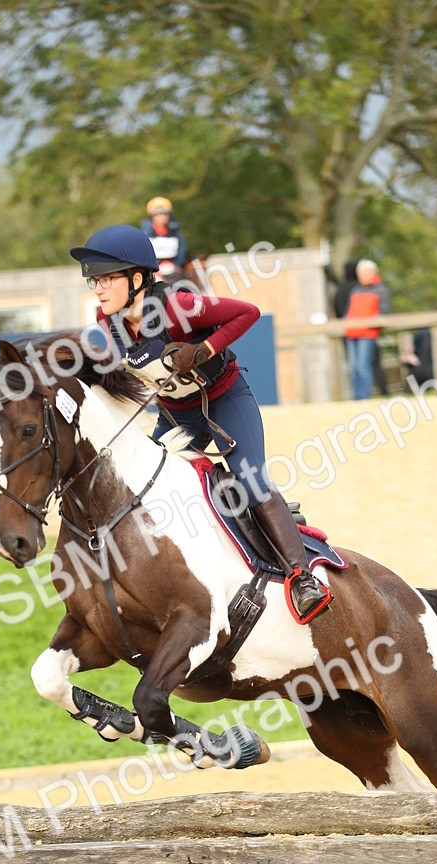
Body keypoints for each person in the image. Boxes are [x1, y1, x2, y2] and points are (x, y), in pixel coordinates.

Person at [69, 224, 332, 623]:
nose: (98, 288)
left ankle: (301, 578)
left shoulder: (178, 306)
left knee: (252, 481)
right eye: (94, 280)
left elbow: (248, 313)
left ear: (137, 278)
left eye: (106, 278)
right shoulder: (111, 324)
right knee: (142, 485)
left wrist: (204, 348)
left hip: (224, 401)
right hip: (176, 415)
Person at [343, 259, 391, 400]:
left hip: (367, 333)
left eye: (367, 272)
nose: (364, 275)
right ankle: (356, 396)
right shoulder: (355, 290)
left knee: (363, 366)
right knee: (353, 367)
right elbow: (349, 311)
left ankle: (364, 396)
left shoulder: (381, 290)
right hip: (352, 333)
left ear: (373, 273)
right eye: (361, 273)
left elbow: (384, 312)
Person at [140, 197, 189, 279]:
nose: (162, 217)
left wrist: (177, 265)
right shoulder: (144, 235)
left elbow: (182, 252)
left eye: (165, 214)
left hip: (175, 271)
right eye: (157, 214)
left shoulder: (176, 233)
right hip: (154, 272)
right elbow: (143, 255)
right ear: (152, 216)